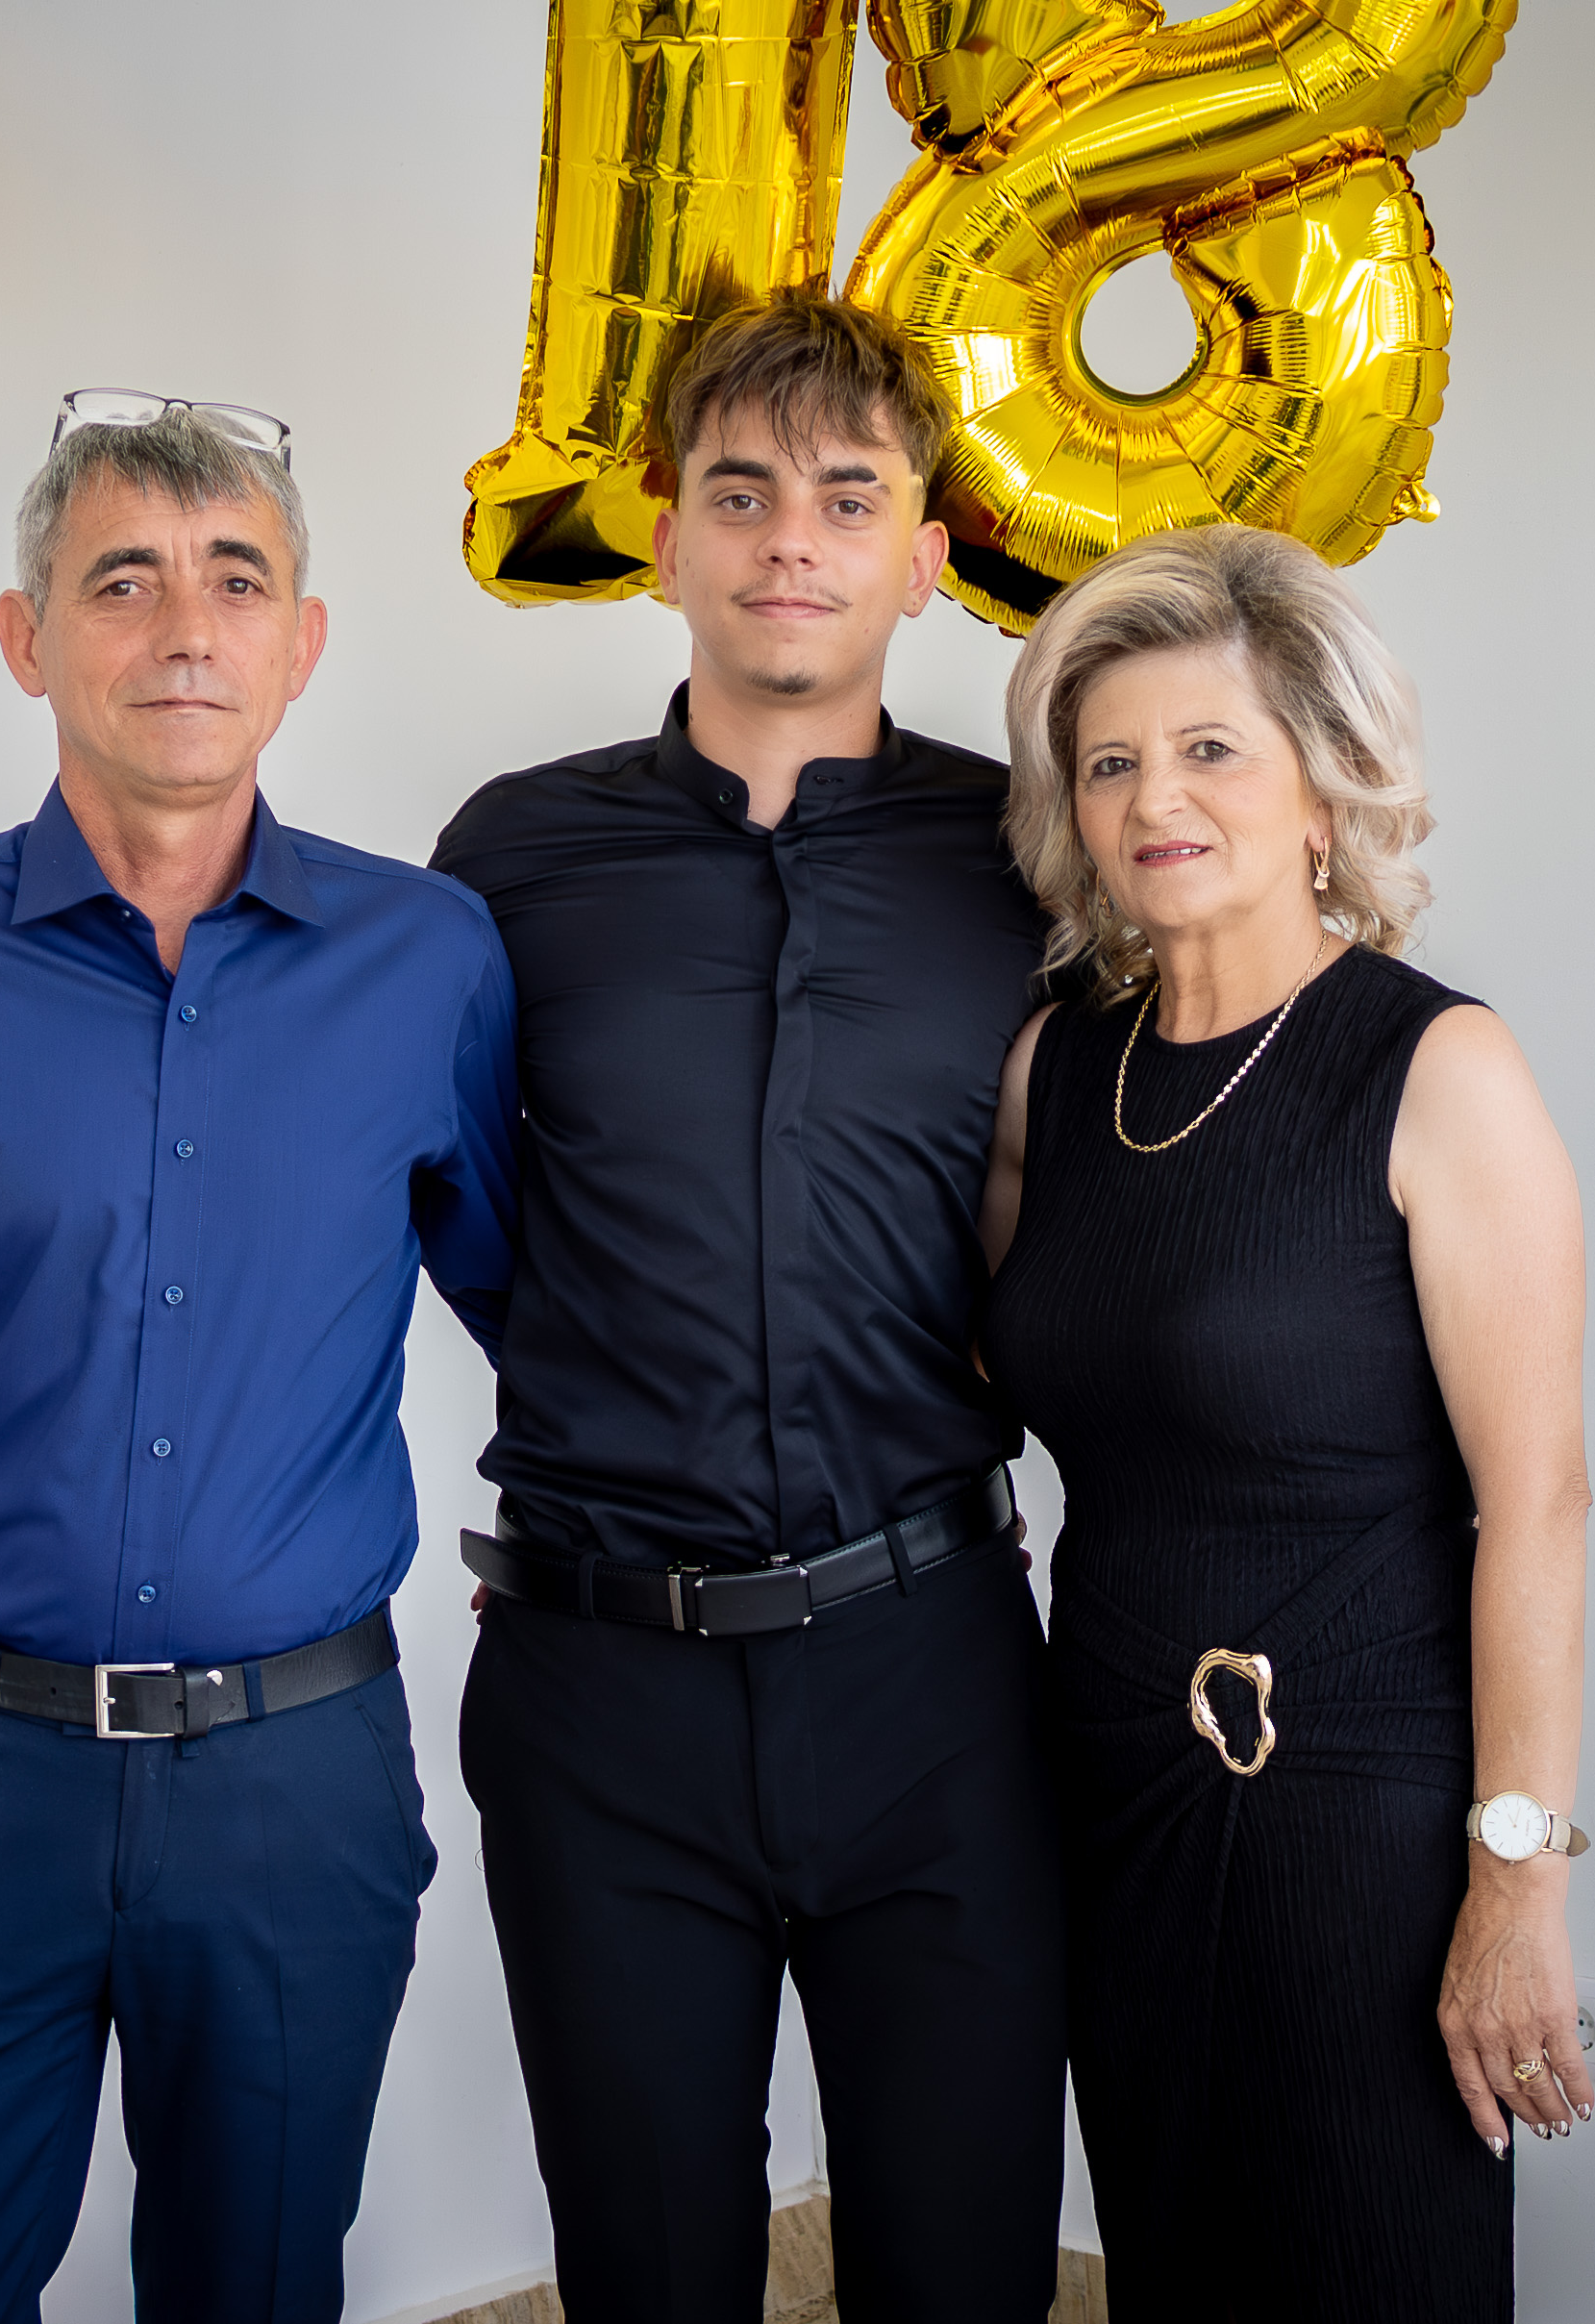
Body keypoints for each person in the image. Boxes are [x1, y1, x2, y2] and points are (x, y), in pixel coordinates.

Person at [0, 396, 518, 2324]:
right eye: (122, 580)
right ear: (28, 637)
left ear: (301, 643)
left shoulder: (431, 963)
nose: (183, 631)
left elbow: (559, 1324)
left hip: (297, 1785)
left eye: (235, 580)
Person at [427, 289, 1065, 2324]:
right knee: (646, 2273)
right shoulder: (510, 856)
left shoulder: (1033, 855)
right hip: (599, 1684)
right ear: (666, 535)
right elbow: (471, 1209)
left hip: (936, 1675)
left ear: (924, 555)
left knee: (962, 2269)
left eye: (847, 496)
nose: (792, 537)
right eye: (741, 490)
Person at [975, 524, 1594, 2321]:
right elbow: (976, 1371)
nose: (1152, 797)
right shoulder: (1055, 1068)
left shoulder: (1436, 1066)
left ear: (1323, 785)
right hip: (1109, 1794)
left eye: (1207, 748)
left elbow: (1540, 1502)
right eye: (1108, 762)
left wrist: (1513, 1882)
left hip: (1354, 1812)